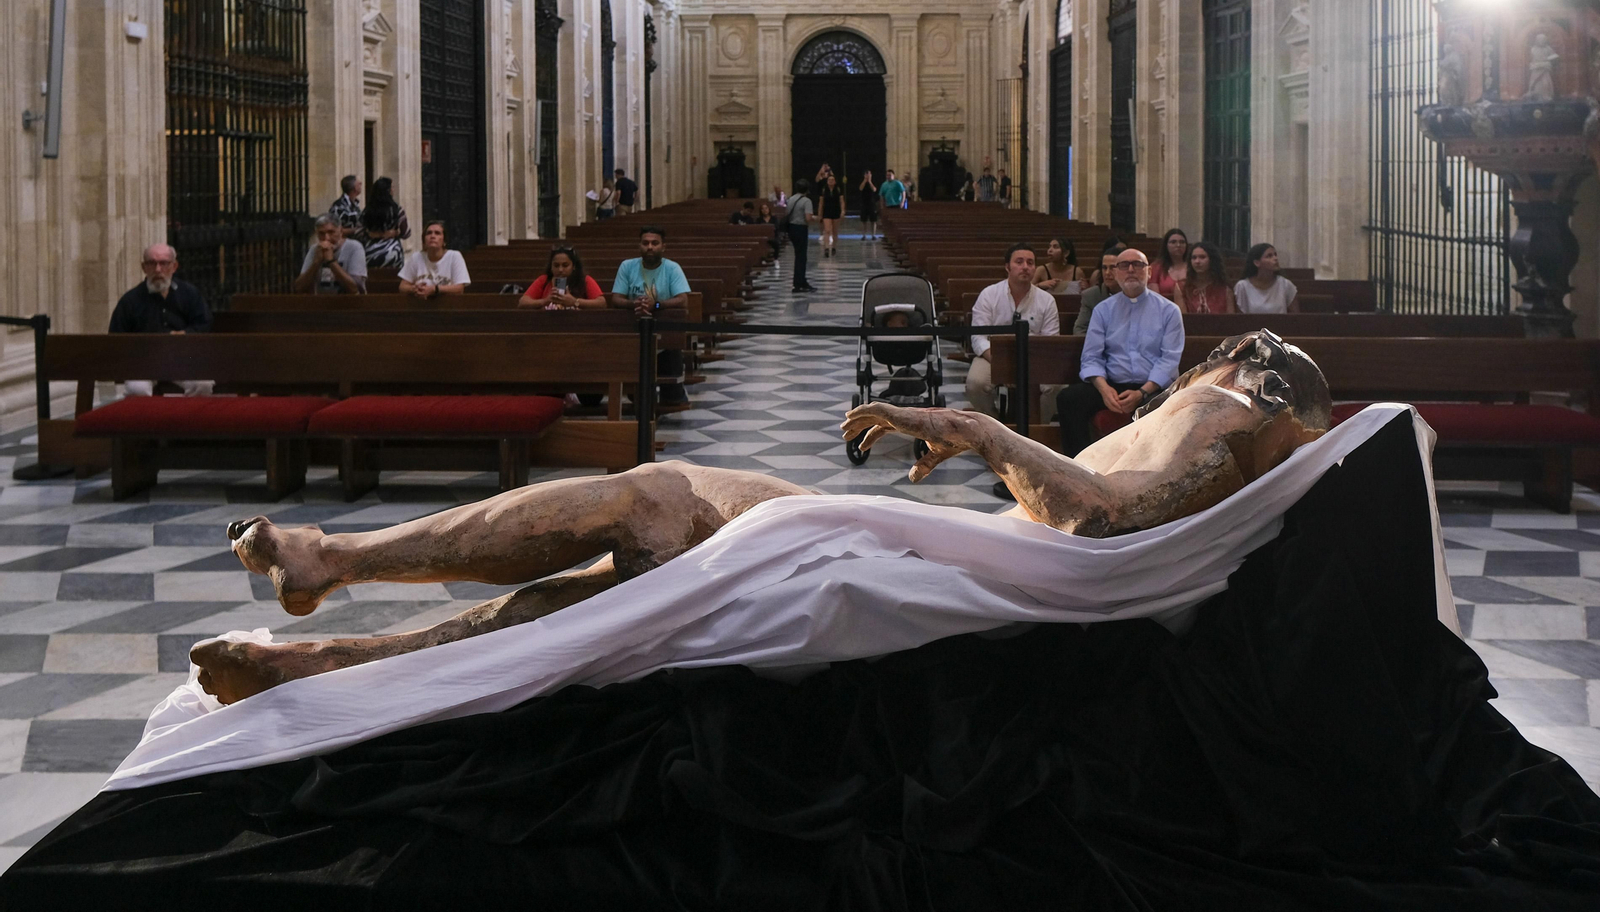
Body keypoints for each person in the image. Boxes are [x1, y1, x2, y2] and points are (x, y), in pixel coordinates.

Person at [193, 330, 1333, 704]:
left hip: (1000, 578)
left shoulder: (1229, 405)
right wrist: (990, 454)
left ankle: (335, 595)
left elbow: (1096, 518)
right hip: (993, 556)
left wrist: (978, 429)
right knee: (673, 498)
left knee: (654, 515)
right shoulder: (1228, 417)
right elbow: (1094, 508)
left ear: (1246, 366)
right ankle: (331, 596)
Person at [1055, 249, 1184, 458]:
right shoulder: (1103, 311)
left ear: (1149, 272)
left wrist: (1141, 392)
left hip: (1152, 387)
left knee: (1172, 404)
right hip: (1112, 385)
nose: (1131, 270)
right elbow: (1091, 357)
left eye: (1138, 265)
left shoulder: (1168, 311)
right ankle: (1078, 466)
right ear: (1115, 273)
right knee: (1068, 399)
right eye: (1124, 265)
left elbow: (1169, 359)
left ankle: (1156, 469)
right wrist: (1105, 390)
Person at [965, 242, 1061, 427]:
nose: (1025, 267)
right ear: (1007, 266)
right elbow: (978, 337)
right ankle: (995, 428)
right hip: (992, 356)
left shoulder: (1046, 300)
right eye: (1019, 262)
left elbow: (1050, 340)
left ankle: (1035, 428)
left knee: (1054, 386)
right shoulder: (989, 295)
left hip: (1035, 358)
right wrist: (1000, 362)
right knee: (975, 383)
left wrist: (1028, 363)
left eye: (1030, 263)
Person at [109, 243, 214, 398]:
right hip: (143, 363)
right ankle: (149, 422)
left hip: (184, 358)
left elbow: (204, 324)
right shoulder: (130, 300)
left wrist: (185, 334)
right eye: (152, 263)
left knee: (203, 384)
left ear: (174, 266)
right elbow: (116, 337)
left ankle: (189, 421)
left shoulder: (189, 293)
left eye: (164, 263)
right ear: (144, 267)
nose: (158, 270)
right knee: (137, 390)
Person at [610, 226, 691, 404]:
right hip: (632, 332)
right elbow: (616, 298)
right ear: (639, 246)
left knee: (673, 396)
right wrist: (635, 304)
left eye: (655, 243)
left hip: (665, 332)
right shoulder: (627, 266)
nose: (650, 247)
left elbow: (683, 299)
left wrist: (656, 304)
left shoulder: (672, 268)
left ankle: (673, 394)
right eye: (645, 243)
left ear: (663, 247)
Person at [294, 215, 368, 294]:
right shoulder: (315, 249)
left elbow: (355, 288)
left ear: (340, 231)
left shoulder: (354, 247)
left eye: (331, 232)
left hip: (349, 302)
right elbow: (299, 287)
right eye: (321, 233)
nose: (327, 238)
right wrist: (316, 263)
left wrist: (331, 261)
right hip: (321, 302)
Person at [397, 221, 470, 297]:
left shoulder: (454, 256)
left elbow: (459, 289)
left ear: (444, 241)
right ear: (424, 241)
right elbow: (402, 287)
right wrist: (414, 288)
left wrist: (435, 289)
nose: (432, 236)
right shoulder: (416, 257)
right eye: (429, 233)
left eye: (437, 233)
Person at [520, 246, 606, 310]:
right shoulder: (544, 280)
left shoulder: (584, 280)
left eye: (565, 265)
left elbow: (601, 302)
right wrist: (545, 301)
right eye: (556, 265)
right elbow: (523, 302)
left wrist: (575, 302)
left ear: (574, 266)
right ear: (551, 267)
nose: (560, 270)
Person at [359, 177, 410, 270]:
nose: (393, 190)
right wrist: (395, 233)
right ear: (388, 191)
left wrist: (374, 234)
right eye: (392, 188)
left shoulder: (367, 211)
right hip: (392, 252)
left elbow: (359, 231)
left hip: (369, 252)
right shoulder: (396, 210)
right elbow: (406, 233)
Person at [1235, 243, 1301, 314]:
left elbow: (1296, 317)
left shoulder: (1285, 285)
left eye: (1275, 255)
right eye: (1269, 256)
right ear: (1257, 262)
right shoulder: (1242, 286)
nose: (1275, 258)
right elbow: (1240, 319)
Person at [1175, 241, 1234, 314]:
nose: (1197, 261)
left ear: (1212, 260)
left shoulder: (1225, 289)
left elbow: (1230, 320)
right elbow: (1183, 319)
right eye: (1194, 258)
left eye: (1202, 257)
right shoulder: (1181, 287)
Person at [1074, 250, 1124, 335]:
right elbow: (1080, 329)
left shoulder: (1134, 293)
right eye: (1104, 268)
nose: (1107, 273)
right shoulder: (1091, 295)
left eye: (1112, 267)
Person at [782, 179, 819, 292]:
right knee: (801, 257)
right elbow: (808, 218)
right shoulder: (806, 201)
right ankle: (799, 283)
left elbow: (787, 213)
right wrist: (815, 218)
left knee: (798, 256)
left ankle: (799, 281)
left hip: (791, 228)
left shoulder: (791, 199)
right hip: (800, 228)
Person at [1149, 228, 1189, 301]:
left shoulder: (1192, 266)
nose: (1178, 245)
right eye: (1173, 242)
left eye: (1182, 242)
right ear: (1166, 245)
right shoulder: (1156, 267)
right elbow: (1155, 297)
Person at [328, 175, 364, 242]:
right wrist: (358, 230)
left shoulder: (355, 204)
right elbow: (334, 228)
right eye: (359, 183)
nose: (361, 184)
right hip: (343, 244)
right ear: (354, 187)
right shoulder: (338, 206)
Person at [819, 172, 843, 257]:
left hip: (836, 211)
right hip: (827, 212)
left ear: (835, 181)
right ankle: (826, 248)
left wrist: (843, 211)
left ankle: (834, 247)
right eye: (829, 180)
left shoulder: (838, 189)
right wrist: (820, 214)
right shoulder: (824, 190)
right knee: (827, 230)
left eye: (832, 180)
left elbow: (841, 201)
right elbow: (821, 203)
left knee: (835, 231)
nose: (831, 181)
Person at [858, 170, 879, 240]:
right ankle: (864, 235)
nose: (868, 175)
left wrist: (869, 181)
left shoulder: (873, 181)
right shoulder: (862, 182)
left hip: (872, 203)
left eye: (869, 174)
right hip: (864, 203)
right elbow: (860, 188)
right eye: (866, 174)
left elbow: (874, 189)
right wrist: (865, 180)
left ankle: (873, 235)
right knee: (864, 220)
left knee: (873, 220)